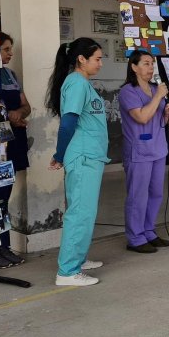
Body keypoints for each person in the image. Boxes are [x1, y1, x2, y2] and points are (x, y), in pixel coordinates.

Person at [47, 37, 109, 287]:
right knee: (80, 213)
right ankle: (68, 271)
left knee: (85, 210)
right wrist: (60, 155)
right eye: (97, 59)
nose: (101, 64)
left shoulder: (82, 83)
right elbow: (68, 123)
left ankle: (78, 259)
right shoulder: (76, 83)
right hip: (82, 156)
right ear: (81, 59)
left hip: (90, 155)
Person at [0, 32, 32, 269]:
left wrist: (18, 115)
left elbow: (26, 105)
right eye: (6, 49)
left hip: (13, 142)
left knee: (4, 197)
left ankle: (1, 245)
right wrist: (8, 118)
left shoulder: (11, 75)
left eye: (10, 48)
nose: (11, 53)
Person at [119, 51, 169, 253]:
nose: (151, 67)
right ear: (134, 67)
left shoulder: (155, 88)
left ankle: (148, 231)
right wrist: (159, 97)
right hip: (139, 150)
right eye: (146, 63)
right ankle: (135, 238)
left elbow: (158, 121)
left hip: (158, 148)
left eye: (152, 63)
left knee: (155, 193)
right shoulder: (128, 91)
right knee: (138, 195)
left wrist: (167, 113)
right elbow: (142, 118)